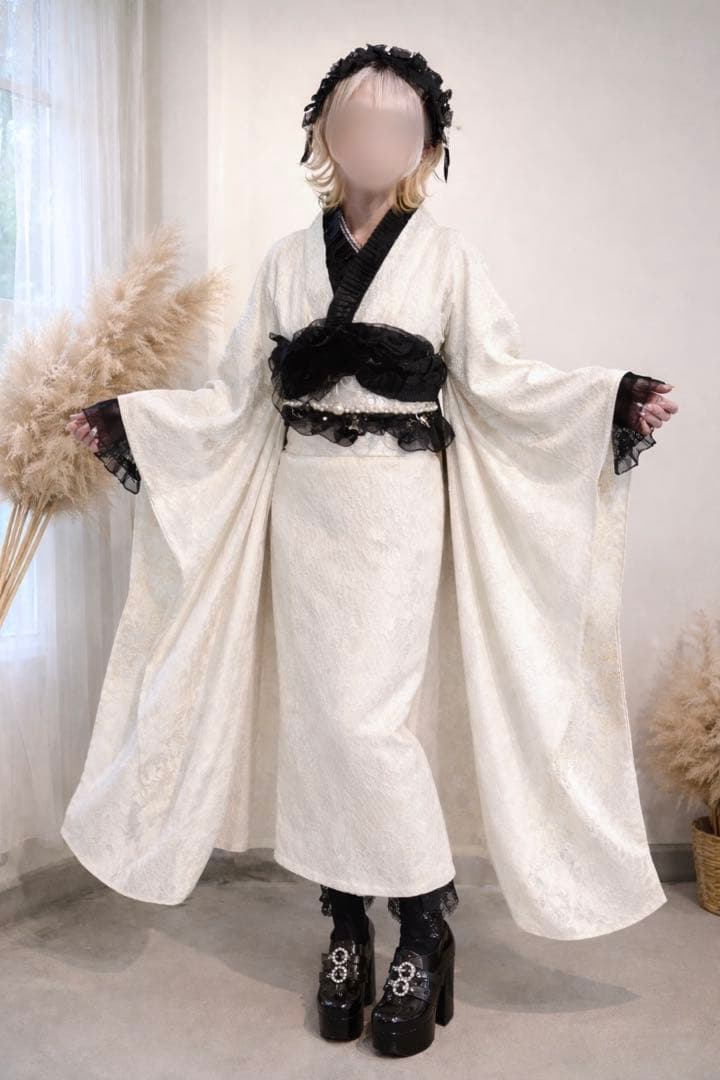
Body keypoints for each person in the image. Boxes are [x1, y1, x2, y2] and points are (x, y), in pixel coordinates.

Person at [64, 44, 678, 1058]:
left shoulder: (449, 259)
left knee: (366, 721)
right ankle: (347, 925)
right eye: (359, 122)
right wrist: (130, 420)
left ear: (425, 147)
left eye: (401, 127)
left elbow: (502, 381)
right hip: (304, 502)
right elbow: (234, 399)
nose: (377, 141)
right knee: (321, 720)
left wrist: (611, 399)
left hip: (396, 505)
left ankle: (425, 926)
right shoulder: (284, 261)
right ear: (327, 134)